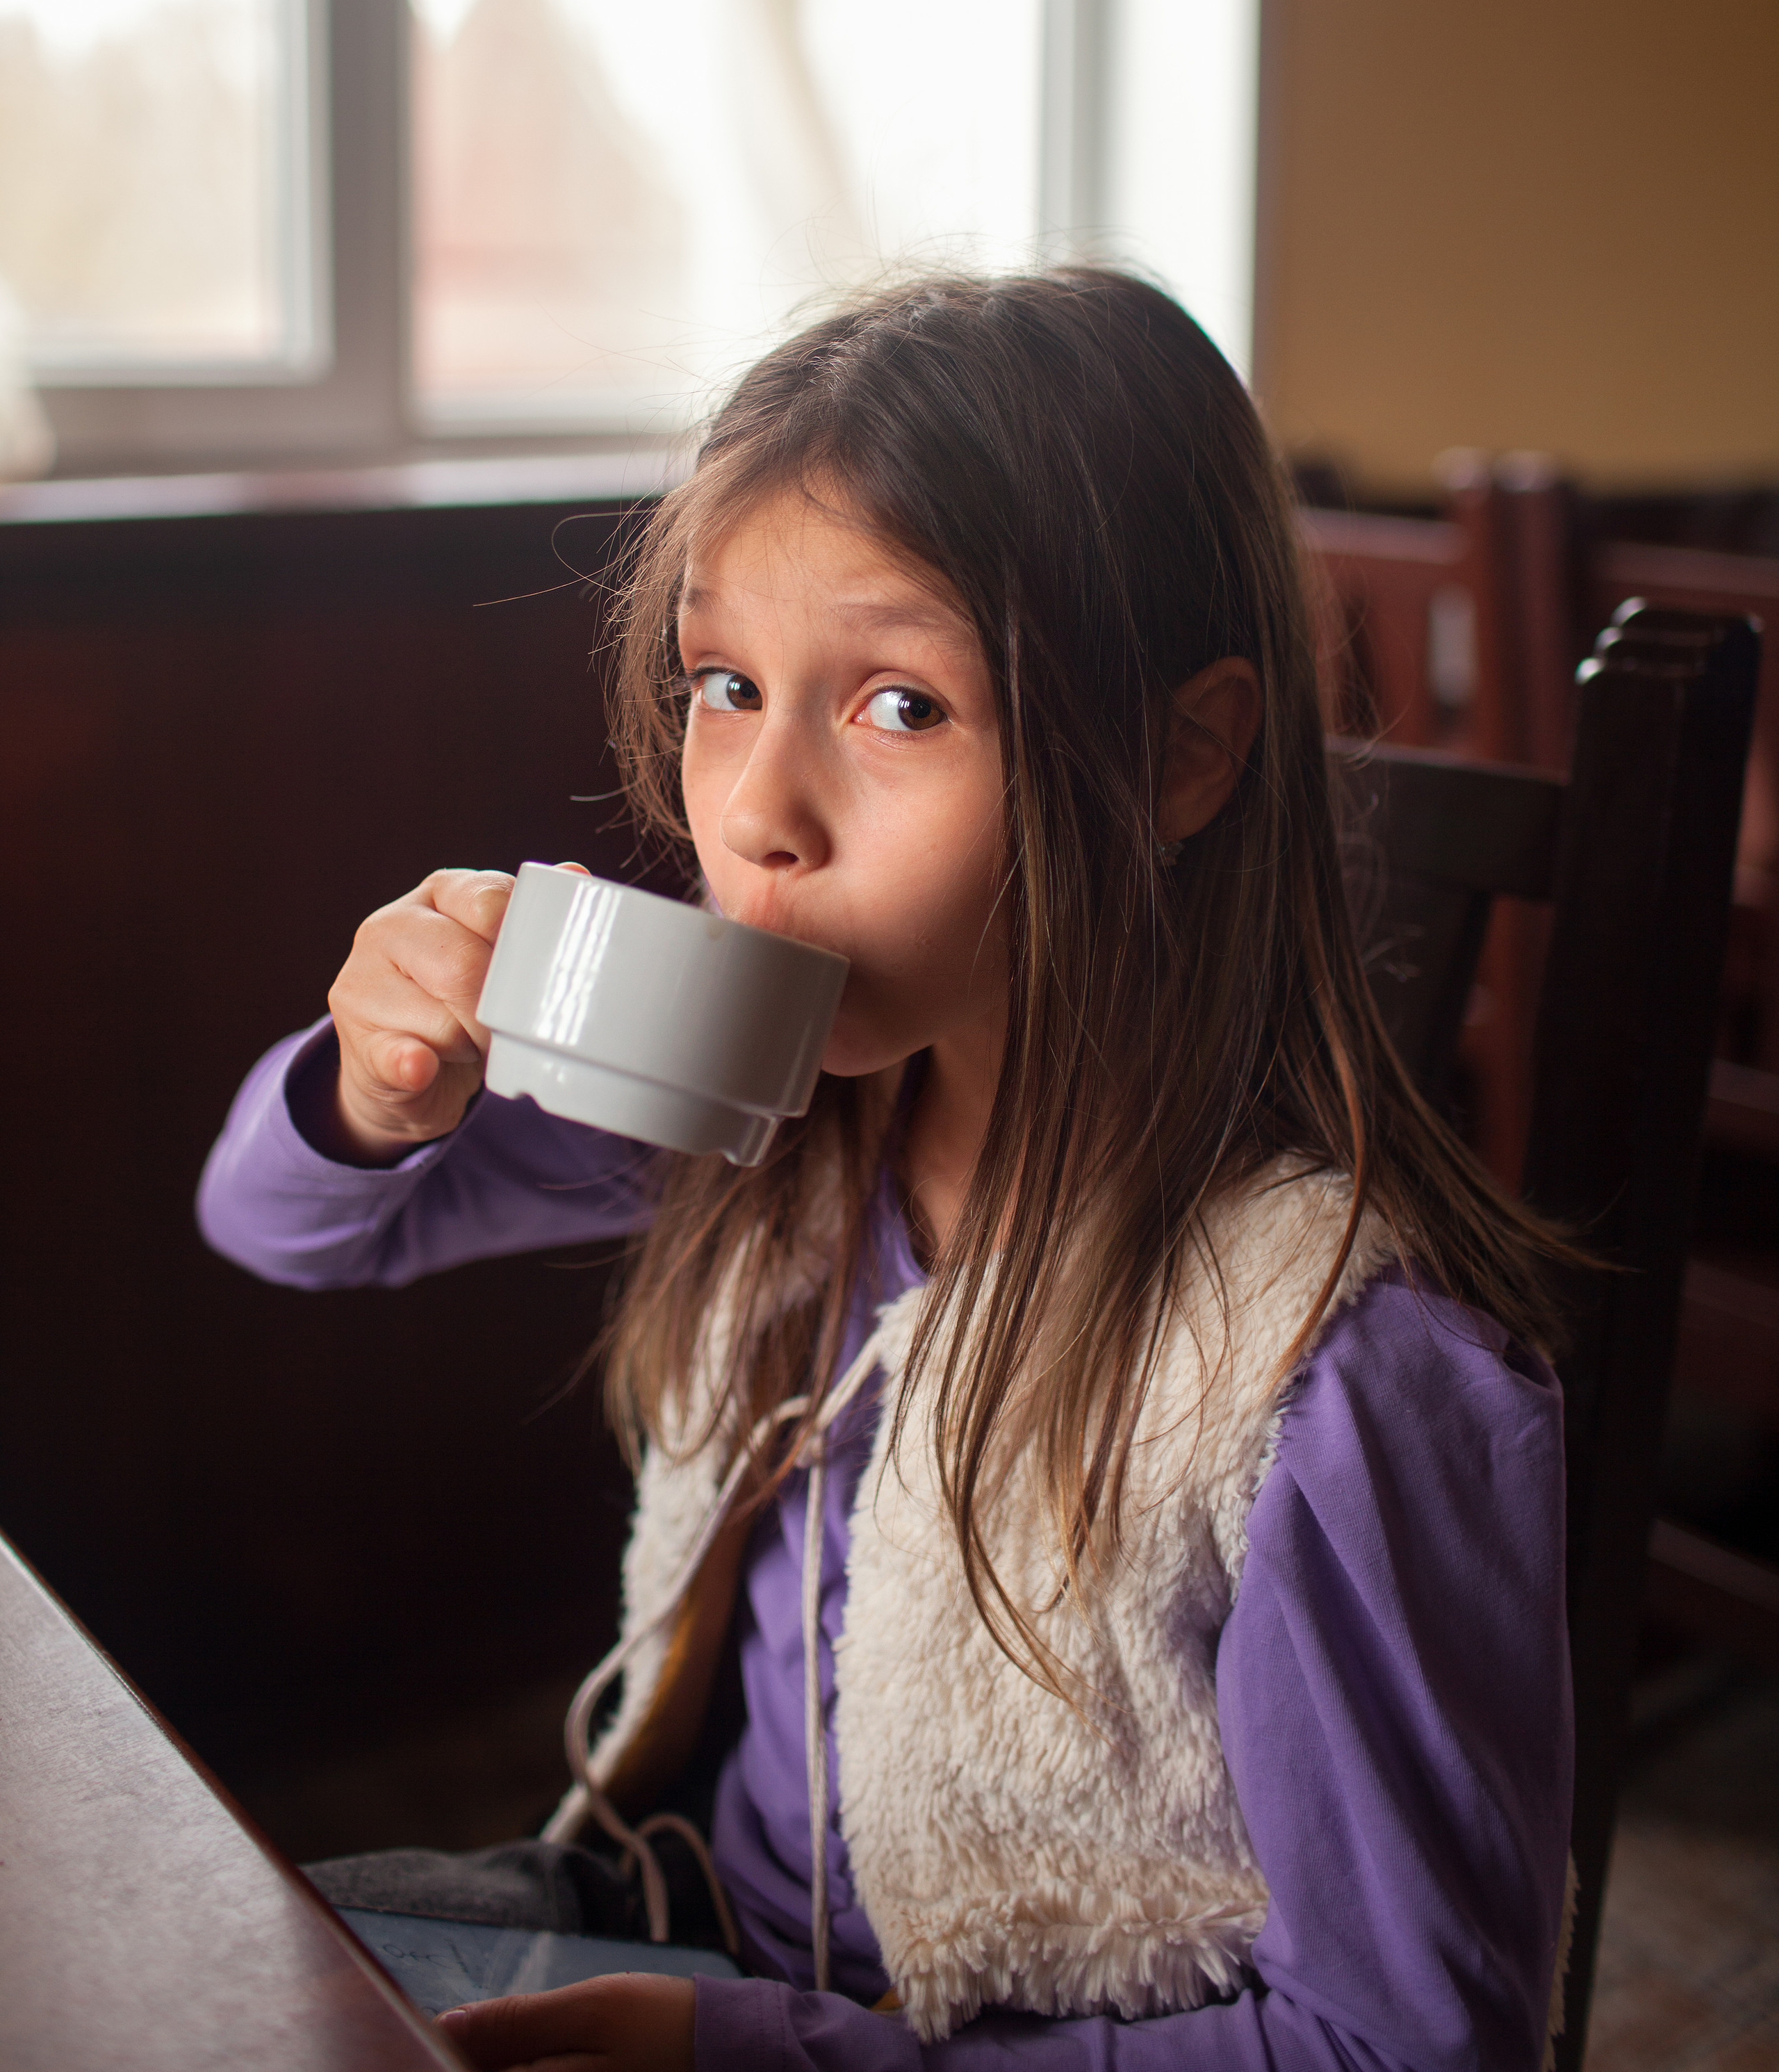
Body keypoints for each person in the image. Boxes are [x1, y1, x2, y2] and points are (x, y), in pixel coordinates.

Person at [199, 270, 1573, 2072]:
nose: (758, 806)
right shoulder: (753, 1131)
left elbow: (1406, 2052)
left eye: (900, 706)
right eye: (725, 682)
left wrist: (767, 2059)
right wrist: (380, 1088)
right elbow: (280, 1231)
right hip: (674, 1920)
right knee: (196, 1972)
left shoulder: (1330, 1372)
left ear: (1182, 755)